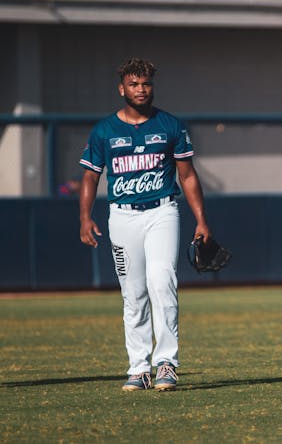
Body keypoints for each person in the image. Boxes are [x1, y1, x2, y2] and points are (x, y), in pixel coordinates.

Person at [79, 57, 212, 392]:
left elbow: (188, 175)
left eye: (146, 83)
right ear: (121, 87)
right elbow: (90, 176)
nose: (141, 89)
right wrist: (84, 216)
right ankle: (138, 368)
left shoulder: (170, 125)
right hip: (122, 216)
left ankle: (166, 362)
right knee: (133, 293)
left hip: (161, 212)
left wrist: (201, 220)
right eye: (134, 84)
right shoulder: (105, 130)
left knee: (161, 280)